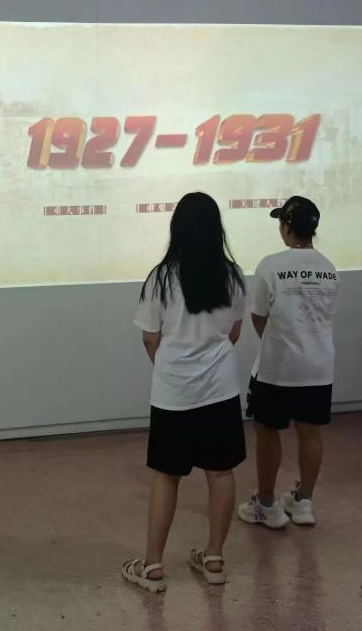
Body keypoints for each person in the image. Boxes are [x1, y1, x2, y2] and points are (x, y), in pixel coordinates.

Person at [122, 192, 247, 592]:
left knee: (167, 477)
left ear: (177, 228)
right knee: (221, 472)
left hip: (173, 393)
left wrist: (171, 366)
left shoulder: (161, 278)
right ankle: (214, 559)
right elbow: (234, 332)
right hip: (220, 390)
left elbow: (150, 338)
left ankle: (153, 566)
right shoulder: (231, 275)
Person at [238, 196, 339, 529]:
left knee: (268, 431)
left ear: (286, 227)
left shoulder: (271, 265)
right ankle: (304, 502)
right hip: (318, 366)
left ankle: (267, 505)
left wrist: (277, 341)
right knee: (311, 433)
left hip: (277, 368)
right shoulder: (328, 267)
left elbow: (258, 316)